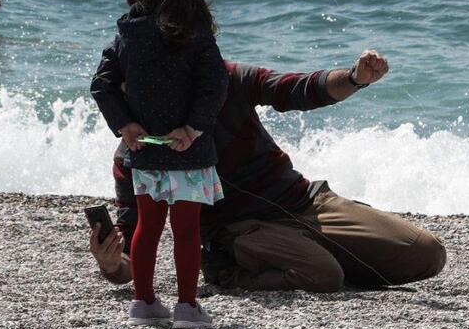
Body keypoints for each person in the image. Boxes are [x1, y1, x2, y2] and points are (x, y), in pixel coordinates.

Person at [87, 47, 446, 293]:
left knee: (427, 253)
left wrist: (354, 77)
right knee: (324, 274)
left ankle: (315, 254)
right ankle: (229, 272)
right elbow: (129, 257)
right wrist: (111, 264)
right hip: (239, 232)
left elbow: (297, 89)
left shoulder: (222, 80)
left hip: (305, 202)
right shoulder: (134, 155)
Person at [90, 0, 228, 329]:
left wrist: (125, 125)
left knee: (148, 227)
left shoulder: (128, 33)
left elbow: (101, 84)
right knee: (186, 229)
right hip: (188, 149)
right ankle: (186, 307)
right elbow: (215, 84)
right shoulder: (196, 32)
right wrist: (193, 127)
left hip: (146, 148)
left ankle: (144, 302)